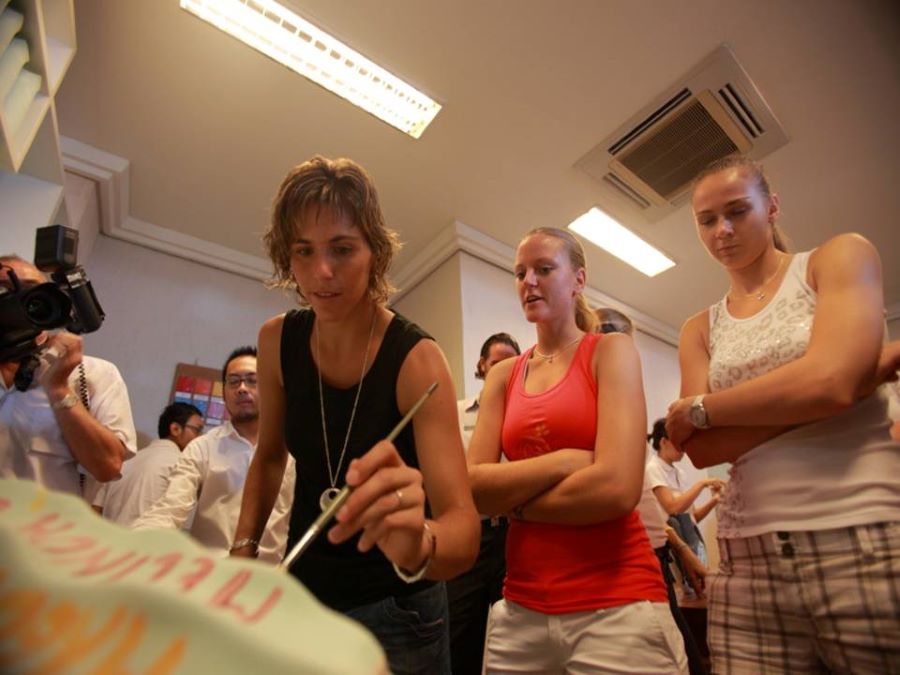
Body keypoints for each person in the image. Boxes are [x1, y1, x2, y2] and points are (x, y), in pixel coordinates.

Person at [231, 156, 479, 674]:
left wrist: (418, 544)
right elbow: (270, 456)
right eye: (304, 251)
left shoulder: (417, 359)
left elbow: (463, 528)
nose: (321, 272)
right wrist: (243, 551)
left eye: (342, 249)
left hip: (399, 610)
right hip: (304, 596)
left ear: (375, 252)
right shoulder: (277, 341)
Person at [665, 155, 900, 673]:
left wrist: (705, 408)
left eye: (737, 211)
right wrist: (851, 382)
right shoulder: (698, 328)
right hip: (746, 558)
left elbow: (831, 382)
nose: (722, 230)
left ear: (771, 207)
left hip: (860, 534)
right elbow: (701, 449)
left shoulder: (836, 258)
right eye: (707, 220)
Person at [468, 227, 686, 673]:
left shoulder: (611, 352)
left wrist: (514, 504)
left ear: (578, 280)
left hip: (619, 606)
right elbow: (472, 489)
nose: (528, 281)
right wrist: (568, 461)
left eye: (544, 269)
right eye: (520, 272)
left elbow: (616, 490)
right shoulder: (503, 376)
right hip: (520, 609)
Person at [135, 347, 294, 563]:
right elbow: (171, 506)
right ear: (225, 390)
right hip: (210, 575)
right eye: (234, 381)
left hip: (272, 579)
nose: (242, 388)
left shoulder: (293, 451)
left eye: (252, 380)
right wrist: (134, 542)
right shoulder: (202, 447)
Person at [0, 255, 136, 500]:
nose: (20, 301)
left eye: (32, 291)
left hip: (45, 534)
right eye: (5, 291)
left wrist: (59, 388)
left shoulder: (95, 373)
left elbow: (108, 466)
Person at [449, 332, 520, 675]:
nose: (504, 369)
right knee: (461, 631)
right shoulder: (455, 412)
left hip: (517, 536)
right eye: (497, 362)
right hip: (471, 536)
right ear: (481, 365)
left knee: (517, 636)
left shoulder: (525, 418)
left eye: (512, 363)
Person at [94, 402, 204, 526]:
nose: (201, 437)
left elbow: (96, 510)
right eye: (197, 430)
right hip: (146, 543)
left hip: (108, 542)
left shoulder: (124, 462)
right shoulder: (182, 466)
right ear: (175, 429)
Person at [645, 418, 724, 571]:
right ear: (663, 442)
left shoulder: (679, 473)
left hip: (689, 540)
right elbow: (673, 508)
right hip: (672, 546)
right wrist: (702, 484)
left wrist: (716, 499)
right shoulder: (653, 468)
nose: (683, 450)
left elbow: (694, 518)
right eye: (679, 445)